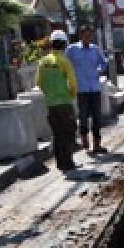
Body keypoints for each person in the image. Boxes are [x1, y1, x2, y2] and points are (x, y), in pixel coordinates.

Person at [37, 29, 79, 174]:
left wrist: (50, 95)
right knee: (69, 132)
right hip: (64, 103)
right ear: (64, 44)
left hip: (51, 105)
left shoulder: (43, 62)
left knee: (57, 134)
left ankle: (60, 163)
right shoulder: (64, 61)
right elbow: (73, 83)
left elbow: (39, 82)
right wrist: (71, 95)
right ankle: (68, 162)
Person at [65, 24, 109, 154]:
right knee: (83, 116)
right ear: (81, 35)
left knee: (97, 117)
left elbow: (103, 63)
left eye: (90, 36)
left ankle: (97, 144)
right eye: (86, 35)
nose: (88, 38)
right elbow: (65, 64)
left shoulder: (95, 49)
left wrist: (100, 70)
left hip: (94, 88)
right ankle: (84, 140)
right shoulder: (72, 49)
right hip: (81, 89)